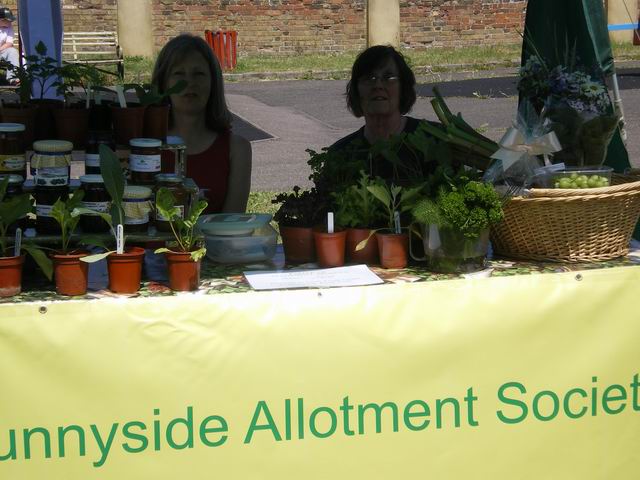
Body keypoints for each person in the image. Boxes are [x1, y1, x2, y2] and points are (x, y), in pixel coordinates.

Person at [151, 34, 252, 213]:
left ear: (213, 82)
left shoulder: (237, 150)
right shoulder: (144, 148)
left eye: (199, 74)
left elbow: (232, 223)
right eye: (178, 73)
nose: (189, 82)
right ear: (163, 83)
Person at [320, 45, 440, 193]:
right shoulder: (341, 154)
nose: (378, 85)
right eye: (369, 78)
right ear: (357, 91)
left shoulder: (434, 141)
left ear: (403, 88)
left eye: (389, 78)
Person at [0, 7, 19, 85]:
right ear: (1, 20)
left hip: (1, 51)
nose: (11, 22)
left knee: (13, 51)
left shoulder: (9, 27)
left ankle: (13, 79)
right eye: (9, 21)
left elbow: (9, 43)